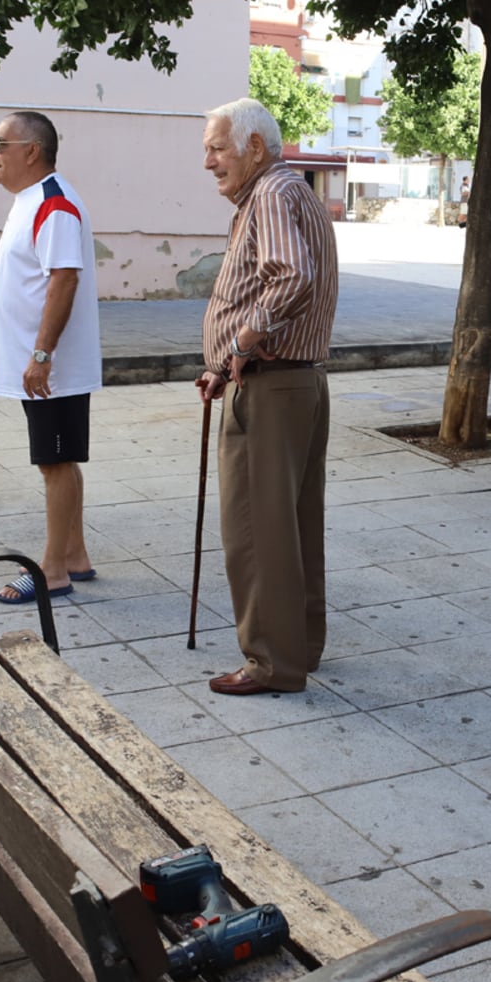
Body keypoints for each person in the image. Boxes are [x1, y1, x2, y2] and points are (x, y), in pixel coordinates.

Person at [195, 98, 338, 697]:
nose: (209, 162)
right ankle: (297, 646)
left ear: (254, 147)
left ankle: (272, 663)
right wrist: (227, 363)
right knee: (292, 523)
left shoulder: (272, 194)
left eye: (217, 147)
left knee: (256, 530)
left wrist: (243, 343)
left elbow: (291, 276)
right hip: (291, 380)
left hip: (272, 385)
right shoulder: (289, 190)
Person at [0, 111, 100, 604]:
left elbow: (64, 278)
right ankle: (74, 555)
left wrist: (41, 354)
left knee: (55, 464)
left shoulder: (54, 205)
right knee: (59, 460)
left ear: (31, 151)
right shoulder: (30, 200)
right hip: (43, 367)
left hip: (52, 368)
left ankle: (53, 570)